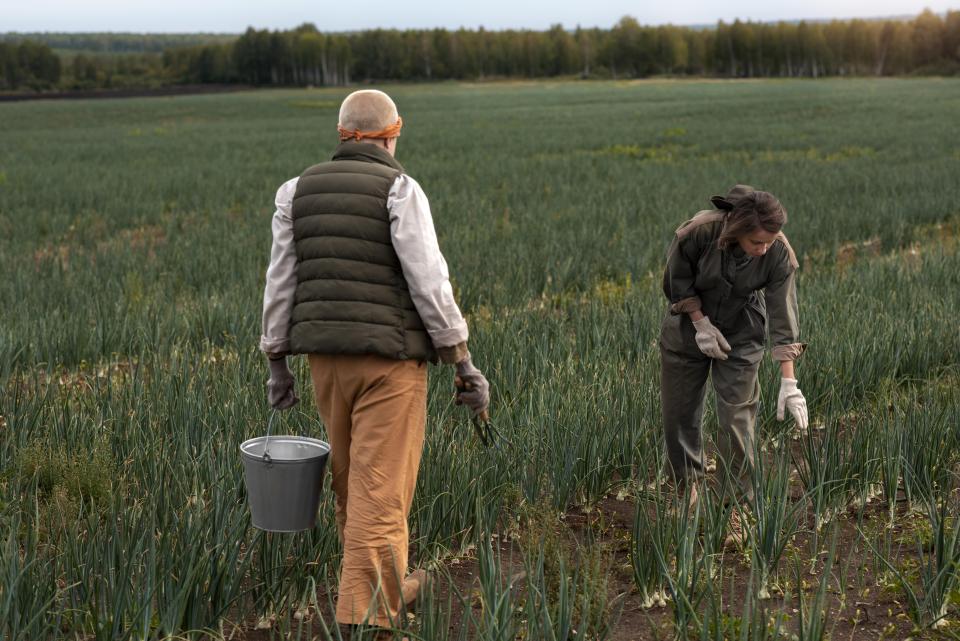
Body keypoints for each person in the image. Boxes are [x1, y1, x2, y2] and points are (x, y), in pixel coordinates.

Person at [259, 89, 490, 637]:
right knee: (381, 493)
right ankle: (364, 620)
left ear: (341, 135)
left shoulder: (295, 192)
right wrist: (462, 360)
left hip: (325, 364)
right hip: (389, 364)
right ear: (395, 131)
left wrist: (276, 361)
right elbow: (429, 281)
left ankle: (386, 589)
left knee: (351, 486)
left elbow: (280, 280)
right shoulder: (400, 189)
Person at [659, 185, 808, 546]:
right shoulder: (699, 232)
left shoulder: (777, 254)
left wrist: (789, 382)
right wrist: (698, 322)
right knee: (680, 414)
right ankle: (685, 491)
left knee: (737, 418)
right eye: (757, 242)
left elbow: (782, 314)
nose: (764, 248)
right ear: (738, 231)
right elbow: (675, 281)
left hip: (742, 331)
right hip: (688, 330)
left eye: (770, 241)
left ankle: (737, 508)